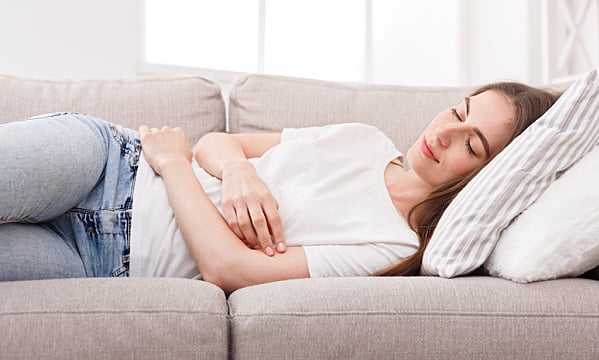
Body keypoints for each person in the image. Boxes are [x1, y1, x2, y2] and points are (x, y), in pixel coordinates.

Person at [0, 81, 560, 294]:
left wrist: (176, 166)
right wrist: (239, 172)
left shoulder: (393, 248)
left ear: (494, 176)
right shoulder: (363, 138)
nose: (444, 132)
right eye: (457, 111)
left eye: (473, 143)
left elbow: (229, 270)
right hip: (109, 163)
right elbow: (218, 145)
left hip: (103, 263)